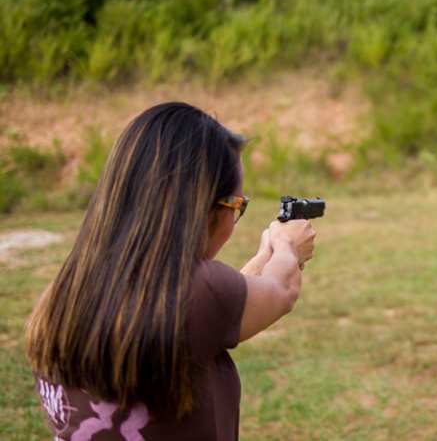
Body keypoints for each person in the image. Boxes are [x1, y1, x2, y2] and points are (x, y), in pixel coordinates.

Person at [25, 102, 316, 440]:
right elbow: (280, 292)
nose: (234, 219)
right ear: (198, 207)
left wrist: (266, 252)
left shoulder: (67, 290)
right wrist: (287, 246)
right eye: (236, 205)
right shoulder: (197, 294)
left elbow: (222, 305)